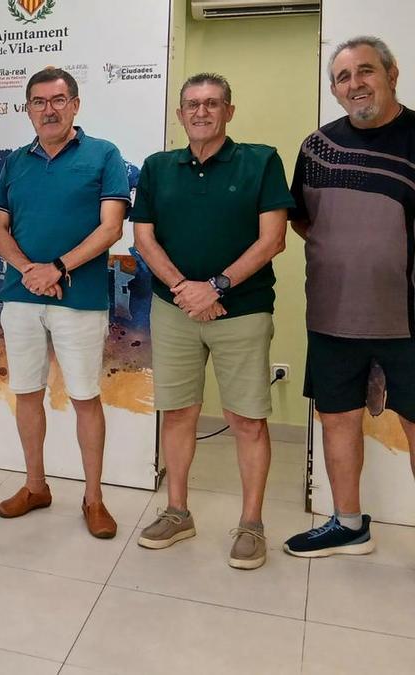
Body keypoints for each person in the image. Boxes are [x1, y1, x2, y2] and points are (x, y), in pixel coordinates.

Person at [131, 73, 292, 569]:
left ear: (229, 111)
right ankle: (178, 511)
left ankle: (251, 524)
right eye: (192, 105)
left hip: (240, 311)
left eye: (212, 103)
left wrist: (216, 287)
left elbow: (273, 240)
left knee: (246, 419)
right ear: (180, 114)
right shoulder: (159, 167)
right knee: (178, 413)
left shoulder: (261, 161)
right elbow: (143, 238)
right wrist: (186, 290)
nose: (201, 112)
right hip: (175, 309)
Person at [285, 36, 415, 558]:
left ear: (391, 73)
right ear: (335, 90)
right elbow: (300, 217)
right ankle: (348, 524)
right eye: (343, 77)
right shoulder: (317, 148)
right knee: (336, 417)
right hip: (333, 314)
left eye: (365, 71)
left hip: (408, 319)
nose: (355, 83)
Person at [0, 66, 130, 538]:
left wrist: (59, 268)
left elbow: (111, 228)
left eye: (58, 99)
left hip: (80, 299)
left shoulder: (103, 154)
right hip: (22, 295)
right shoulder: (15, 163)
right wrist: (31, 270)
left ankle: (94, 498)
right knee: (27, 393)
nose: (49, 109)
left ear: (75, 104)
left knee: (86, 397)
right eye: (39, 101)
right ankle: (35, 487)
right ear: (27, 108)